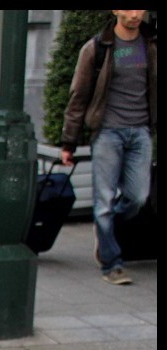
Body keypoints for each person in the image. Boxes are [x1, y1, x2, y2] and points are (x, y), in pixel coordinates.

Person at [60, 10, 156, 286]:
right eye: (129, 8)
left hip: (141, 131)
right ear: (116, 10)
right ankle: (111, 263)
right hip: (108, 133)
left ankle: (105, 228)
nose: (135, 14)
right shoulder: (97, 48)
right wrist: (69, 141)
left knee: (137, 197)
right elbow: (79, 95)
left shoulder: (151, 44)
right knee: (102, 201)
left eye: (140, 9)